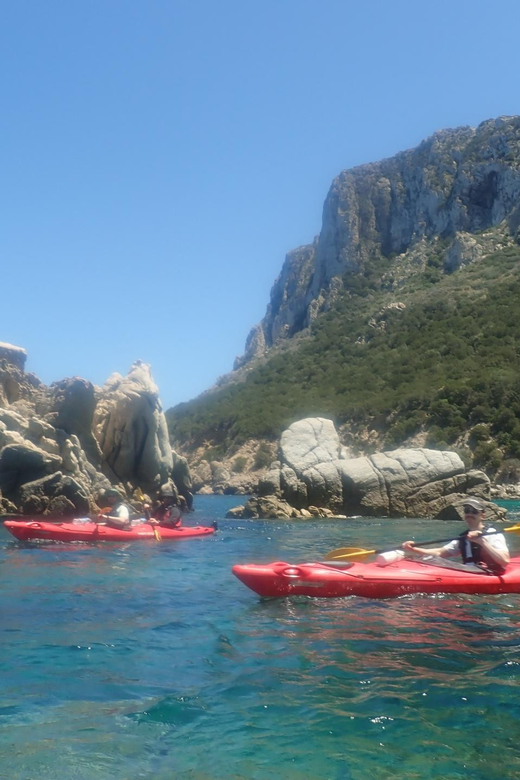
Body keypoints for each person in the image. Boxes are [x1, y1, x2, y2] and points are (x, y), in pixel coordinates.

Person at [402, 497, 510, 572]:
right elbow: (440, 552)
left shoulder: (493, 534)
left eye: (474, 511)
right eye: (467, 511)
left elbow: (504, 561)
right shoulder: (463, 537)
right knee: (433, 560)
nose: (470, 514)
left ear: (482, 515)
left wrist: (482, 541)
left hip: (488, 572)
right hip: (468, 571)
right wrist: (414, 549)